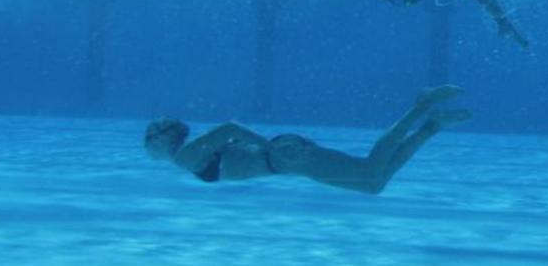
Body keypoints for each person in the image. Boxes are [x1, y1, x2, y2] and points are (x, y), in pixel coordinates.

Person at [143, 85, 470, 194]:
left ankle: (421, 106)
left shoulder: (185, 155)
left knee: (370, 170)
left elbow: (230, 128)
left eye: (149, 138)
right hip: (284, 160)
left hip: (284, 156)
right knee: (373, 184)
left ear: (163, 138)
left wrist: (271, 147)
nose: (146, 145)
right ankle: (431, 127)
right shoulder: (188, 152)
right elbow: (230, 138)